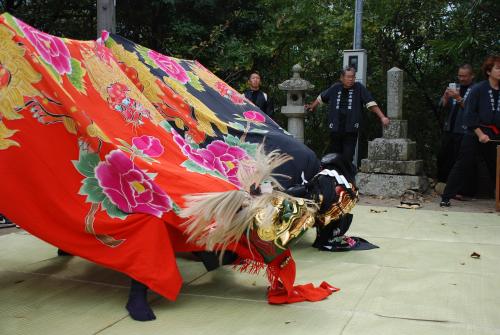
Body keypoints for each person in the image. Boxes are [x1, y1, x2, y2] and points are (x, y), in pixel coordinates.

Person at [440, 55, 500, 207]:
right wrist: (480, 134)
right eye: (498, 68)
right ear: (488, 71)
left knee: (496, 166)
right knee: (462, 164)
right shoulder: (478, 89)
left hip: (495, 134)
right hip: (474, 132)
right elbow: (469, 114)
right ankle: (446, 197)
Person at [306, 66, 389, 167]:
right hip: (335, 128)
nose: (351, 79)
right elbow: (321, 98)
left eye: (353, 77)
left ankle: (347, 179)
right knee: (334, 156)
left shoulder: (359, 88)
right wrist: (312, 106)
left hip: (350, 129)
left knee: (348, 156)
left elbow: (370, 103)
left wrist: (382, 117)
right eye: (348, 77)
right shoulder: (335, 88)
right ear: (342, 78)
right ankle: (334, 178)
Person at [436, 64, 475, 197]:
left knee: (460, 161)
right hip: (450, 128)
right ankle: (444, 187)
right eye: (459, 76)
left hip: (465, 130)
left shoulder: (475, 90)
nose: (461, 79)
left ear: (472, 76)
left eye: (464, 76)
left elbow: (472, 110)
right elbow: (441, 106)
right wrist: (446, 97)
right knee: (444, 157)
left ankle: (460, 191)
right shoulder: (455, 87)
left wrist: (458, 98)